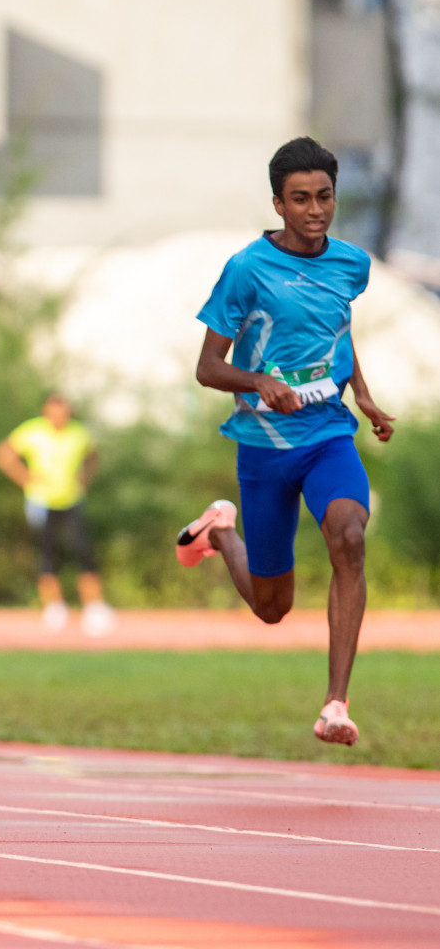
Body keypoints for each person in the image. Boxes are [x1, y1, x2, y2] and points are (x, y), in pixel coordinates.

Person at [177, 136, 395, 747]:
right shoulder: (247, 269)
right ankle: (221, 531)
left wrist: (365, 395)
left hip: (328, 434)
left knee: (349, 536)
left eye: (324, 196)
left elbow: (339, 330)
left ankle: (336, 704)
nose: (314, 210)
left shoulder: (352, 264)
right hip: (265, 447)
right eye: (300, 199)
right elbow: (207, 368)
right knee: (273, 607)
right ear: (278, 204)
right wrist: (259, 381)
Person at [0, 393, 115, 636]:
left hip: (71, 500)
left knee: (82, 550)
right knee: (47, 554)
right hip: (41, 502)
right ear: (46, 413)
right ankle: (54, 608)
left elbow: (93, 457)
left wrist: (85, 477)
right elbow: (2, 455)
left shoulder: (78, 433)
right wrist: (25, 478)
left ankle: (94, 607)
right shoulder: (32, 431)